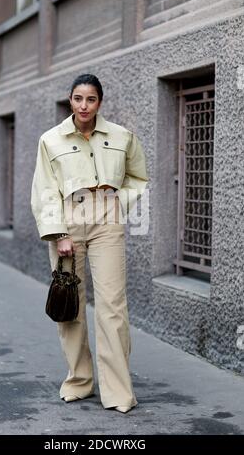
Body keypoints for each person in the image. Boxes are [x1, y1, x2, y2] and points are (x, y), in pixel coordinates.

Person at [31, 74, 148, 413]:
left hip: (106, 221)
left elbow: (138, 176)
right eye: (78, 98)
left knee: (113, 306)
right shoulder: (50, 140)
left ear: (100, 102)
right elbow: (44, 190)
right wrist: (59, 233)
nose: (84, 105)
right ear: (70, 100)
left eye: (91, 99)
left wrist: (118, 203)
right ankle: (80, 380)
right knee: (70, 305)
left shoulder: (121, 136)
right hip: (66, 221)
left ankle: (118, 391)